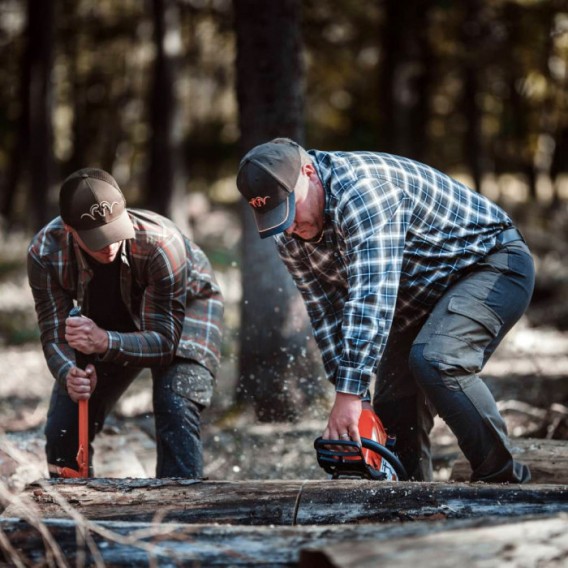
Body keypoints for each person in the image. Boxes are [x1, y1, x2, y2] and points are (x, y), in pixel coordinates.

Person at [236, 138, 534, 483]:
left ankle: (505, 484)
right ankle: (408, 501)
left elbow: (370, 298)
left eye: (291, 208)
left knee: (438, 361)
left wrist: (347, 395)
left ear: (309, 173)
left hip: (490, 264)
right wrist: (357, 398)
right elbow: (325, 314)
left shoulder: (365, 193)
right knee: (394, 403)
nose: (288, 226)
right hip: (416, 297)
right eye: (276, 215)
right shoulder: (286, 234)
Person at [28, 168, 223, 478]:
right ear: (68, 229)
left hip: (185, 311)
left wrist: (105, 341)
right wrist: (69, 373)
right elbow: (54, 334)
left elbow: (163, 343)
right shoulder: (44, 253)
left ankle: (182, 514)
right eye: (95, 238)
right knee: (63, 430)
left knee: (174, 402)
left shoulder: (162, 242)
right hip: (105, 319)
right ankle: (75, 516)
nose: (108, 245)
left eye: (114, 230)